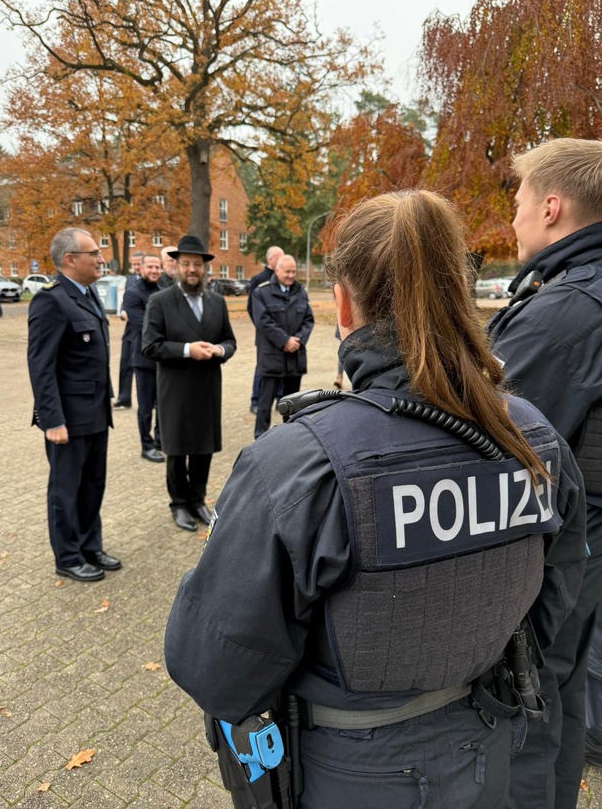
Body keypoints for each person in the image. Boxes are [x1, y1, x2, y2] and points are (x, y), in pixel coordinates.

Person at [164, 190, 586, 809]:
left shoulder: (297, 465)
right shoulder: (535, 438)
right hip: (486, 748)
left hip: (350, 773)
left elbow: (214, 664)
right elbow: (557, 596)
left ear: (342, 303)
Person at [487, 138, 602, 809]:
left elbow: (495, 436)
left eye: (521, 198)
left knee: (529, 698)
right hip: (585, 542)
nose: (515, 212)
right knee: (561, 687)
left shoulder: (566, 310)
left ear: (552, 206)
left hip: (557, 545)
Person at [27, 227, 121, 582]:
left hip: (95, 411)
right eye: (94, 253)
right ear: (70, 259)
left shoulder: (88, 293)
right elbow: (41, 366)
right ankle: (67, 556)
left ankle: (90, 545)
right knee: (66, 489)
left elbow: (100, 354)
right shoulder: (50, 300)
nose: (101, 258)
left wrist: (108, 395)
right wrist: (51, 420)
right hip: (67, 418)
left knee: (93, 483)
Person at [142, 235, 236, 532]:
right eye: (186, 264)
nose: (192, 269)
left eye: (197, 264)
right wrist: (187, 350)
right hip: (175, 390)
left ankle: (197, 500)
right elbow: (150, 346)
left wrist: (220, 351)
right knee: (177, 449)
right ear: (176, 266)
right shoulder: (160, 302)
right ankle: (178, 504)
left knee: (202, 448)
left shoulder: (217, 302)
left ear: (205, 268)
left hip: (207, 387)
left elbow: (229, 341)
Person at [251, 253, 314, 438]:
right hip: (272, 358)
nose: (291, 275)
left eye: (293, 272)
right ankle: (260, 439)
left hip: (294, 357)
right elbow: (263, 322)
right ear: (277, 270)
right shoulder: (261, 293)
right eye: (287, 272)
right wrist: (284, 340)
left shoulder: (301, 292)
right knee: (265, 405)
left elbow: (308, 320)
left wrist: (299, 340)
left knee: (292, 405)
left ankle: (289, 439)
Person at [121, 252, 164, 463]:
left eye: (158, 267)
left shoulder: (163, 291)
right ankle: (146, 445)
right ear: (141, 269)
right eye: (150, 267)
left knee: (162, 403)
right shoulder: (132, 294)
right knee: (146, 406)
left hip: (163, 359)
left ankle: (159, 440)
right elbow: (145, 326)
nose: (154, 271)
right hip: (144, 358)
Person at [246, 245, 284, 413]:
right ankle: (256, 401)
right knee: (262, 368)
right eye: (279, 258)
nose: (282, 260)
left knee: (283, 366)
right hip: (264, 334)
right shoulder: (259, 279)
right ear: (270, 260)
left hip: (282, 333)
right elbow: (250, 307)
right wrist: (261, 327)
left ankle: (280, 400)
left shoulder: (283, 278)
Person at [114, 250, 143, 409]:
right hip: (130, 329)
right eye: (135, 264)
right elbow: (124, 303)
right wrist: (123, 312)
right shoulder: (129, 280)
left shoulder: (152, 282)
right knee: (125, 363)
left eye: (139, 264)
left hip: (145, 330)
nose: (137, 267)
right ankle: (124, 397)